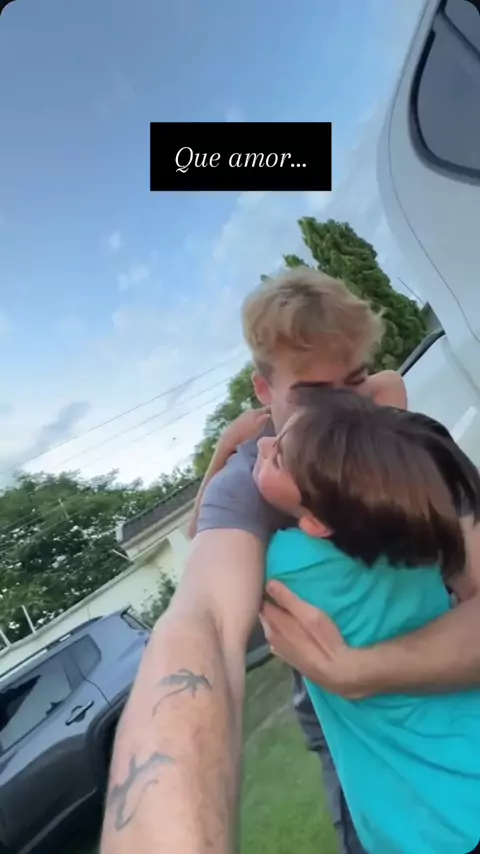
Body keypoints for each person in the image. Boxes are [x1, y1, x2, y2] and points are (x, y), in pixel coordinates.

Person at [100, 269, 480, 854]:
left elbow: (385, 387)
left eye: (353, 381)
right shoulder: (254, 482)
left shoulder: (407, 444)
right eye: (313, 393)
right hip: (359, 740)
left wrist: (357, 670)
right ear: (263, 391)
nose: (345, 410)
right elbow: (203, 624)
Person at [258, 386, 480, 854]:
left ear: (318, 522)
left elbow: (207, 536)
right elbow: (389, 388)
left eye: (276, 456)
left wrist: (224, 454)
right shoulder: (414, 540)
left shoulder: (285, 563)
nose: (262, 443)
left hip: (434, 827)